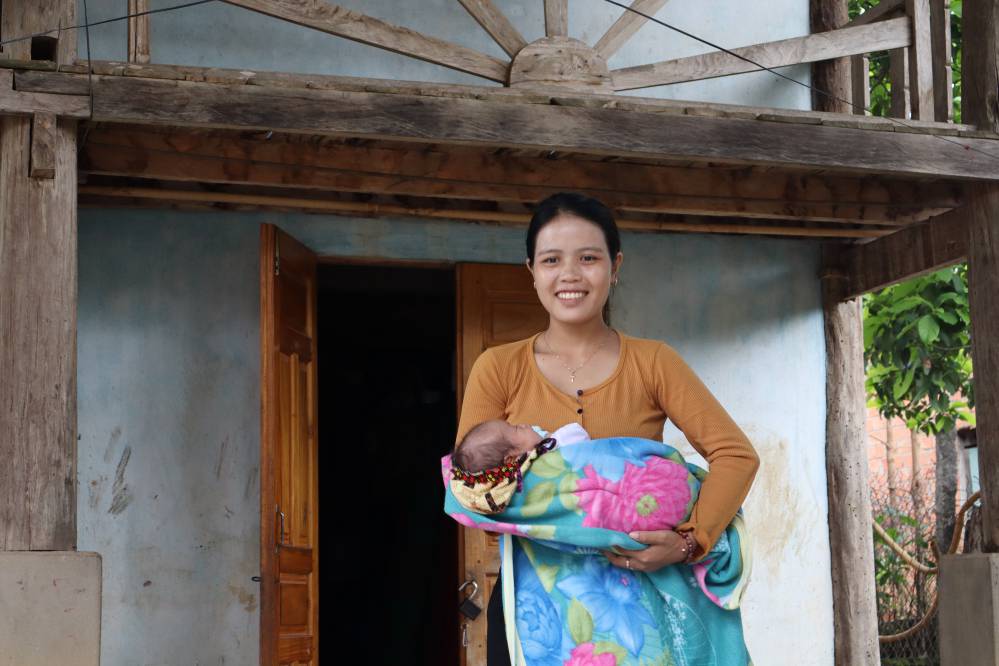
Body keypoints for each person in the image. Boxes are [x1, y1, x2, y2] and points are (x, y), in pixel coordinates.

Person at [453, 191, 761, 665]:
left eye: (589, 258)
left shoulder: (653, 361)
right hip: (534, 610)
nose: (570, 275)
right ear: (531, 270)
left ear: (615, 266)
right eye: (552, 259)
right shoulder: (497, 368)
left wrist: (687, 543)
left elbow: (736, 455)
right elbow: (469, 489)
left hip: (640, 603)